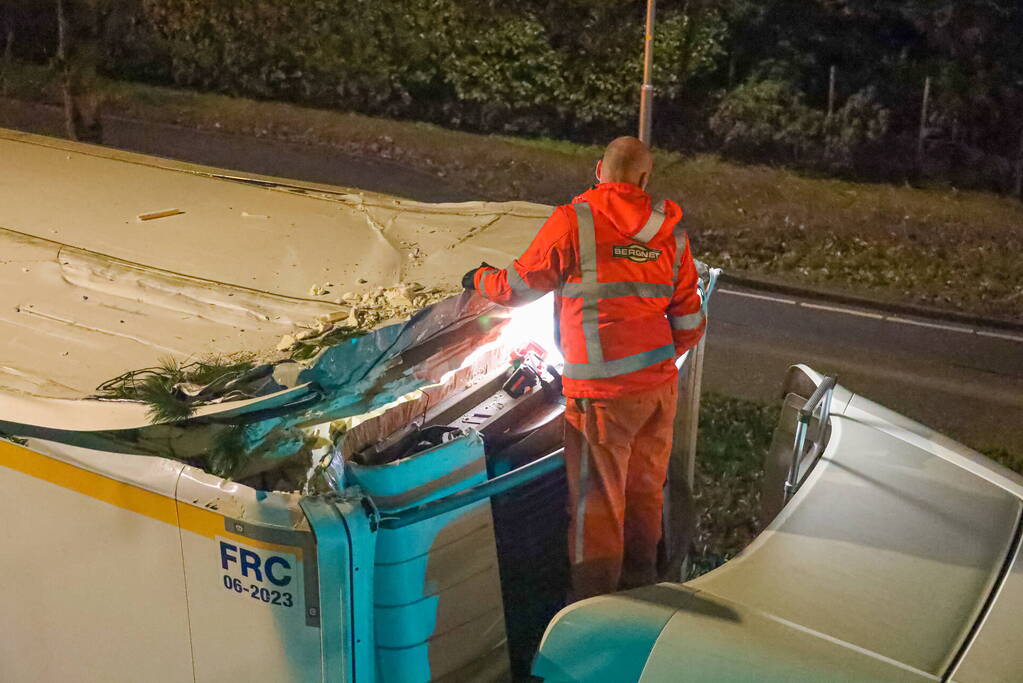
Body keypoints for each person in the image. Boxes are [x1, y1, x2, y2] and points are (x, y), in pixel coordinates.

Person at [462, 136, 706, 600]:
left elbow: (515, 287)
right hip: (656, 391)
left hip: (601, 399)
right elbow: (691, 323)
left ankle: (593, 614)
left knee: (597, 508)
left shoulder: (576, 222)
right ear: (645, 179)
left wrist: (476, 278)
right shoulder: (672, 234)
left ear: (599, 171)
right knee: (644, 494)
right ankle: (642, 591)